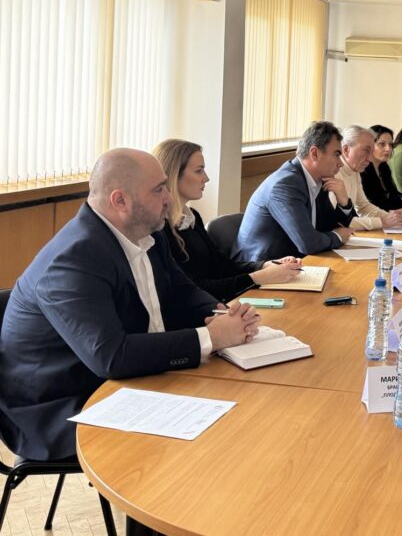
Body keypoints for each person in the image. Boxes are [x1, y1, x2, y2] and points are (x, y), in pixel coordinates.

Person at [0, 148, 260, 462]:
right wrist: (212, 337)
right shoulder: (73, 260)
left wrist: (225, 315)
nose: (168, 198)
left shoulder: (148, 232)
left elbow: (182, 291)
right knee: (209, 446)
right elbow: (110, 356)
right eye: (158, 189)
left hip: (128, 380)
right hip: (63, 405)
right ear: (120, 201)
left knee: (243, 411)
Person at [153, 139, 303, 302]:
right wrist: (259, 277)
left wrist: (265, 265)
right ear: (174, 174)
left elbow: (224, 266)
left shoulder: (192, 217)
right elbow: (195, 290)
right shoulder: (159, 229)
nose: (206, 178)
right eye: (199, 171)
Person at [235, 121, 356, 261]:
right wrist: (338, 236)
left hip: (296, 261)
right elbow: (309, 244)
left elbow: (335, 227)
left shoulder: (319, 180)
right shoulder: (285, 185)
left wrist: (344, 202)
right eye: (336, 154)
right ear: (314, 153)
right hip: (264, 267)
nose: (340, 163)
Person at [332, 125, 402, 230]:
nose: (370, 159)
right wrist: (381, 222)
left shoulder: (354, 170)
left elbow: (364, 207)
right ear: (346, 150)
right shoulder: (333, 173)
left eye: (371, 152)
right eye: (366, 150)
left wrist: (390, 216)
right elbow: (337, 221)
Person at [361, 124, 402, 211]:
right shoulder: (363, 169)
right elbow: (374, 204)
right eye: (382, 144)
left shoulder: (383, 166)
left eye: (390, 144)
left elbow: (393, 193)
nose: (388, 149)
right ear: (370, 145)